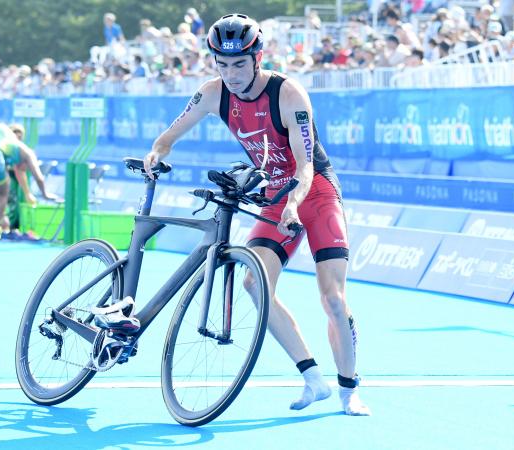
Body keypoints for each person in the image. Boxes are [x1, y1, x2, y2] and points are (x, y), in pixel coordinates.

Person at [144, 14, 371, 417]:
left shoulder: (288, 94)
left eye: (239, 64)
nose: (230, 74)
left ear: (258, 57)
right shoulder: (212, 93)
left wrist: (293, 204)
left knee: (333, 299)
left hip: (313, 191)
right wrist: (156, 153)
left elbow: (304, 166)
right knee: (254, 282)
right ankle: (311, 376)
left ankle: (348, 388)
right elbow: (170, 134)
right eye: (222, 64)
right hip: (273, 191)